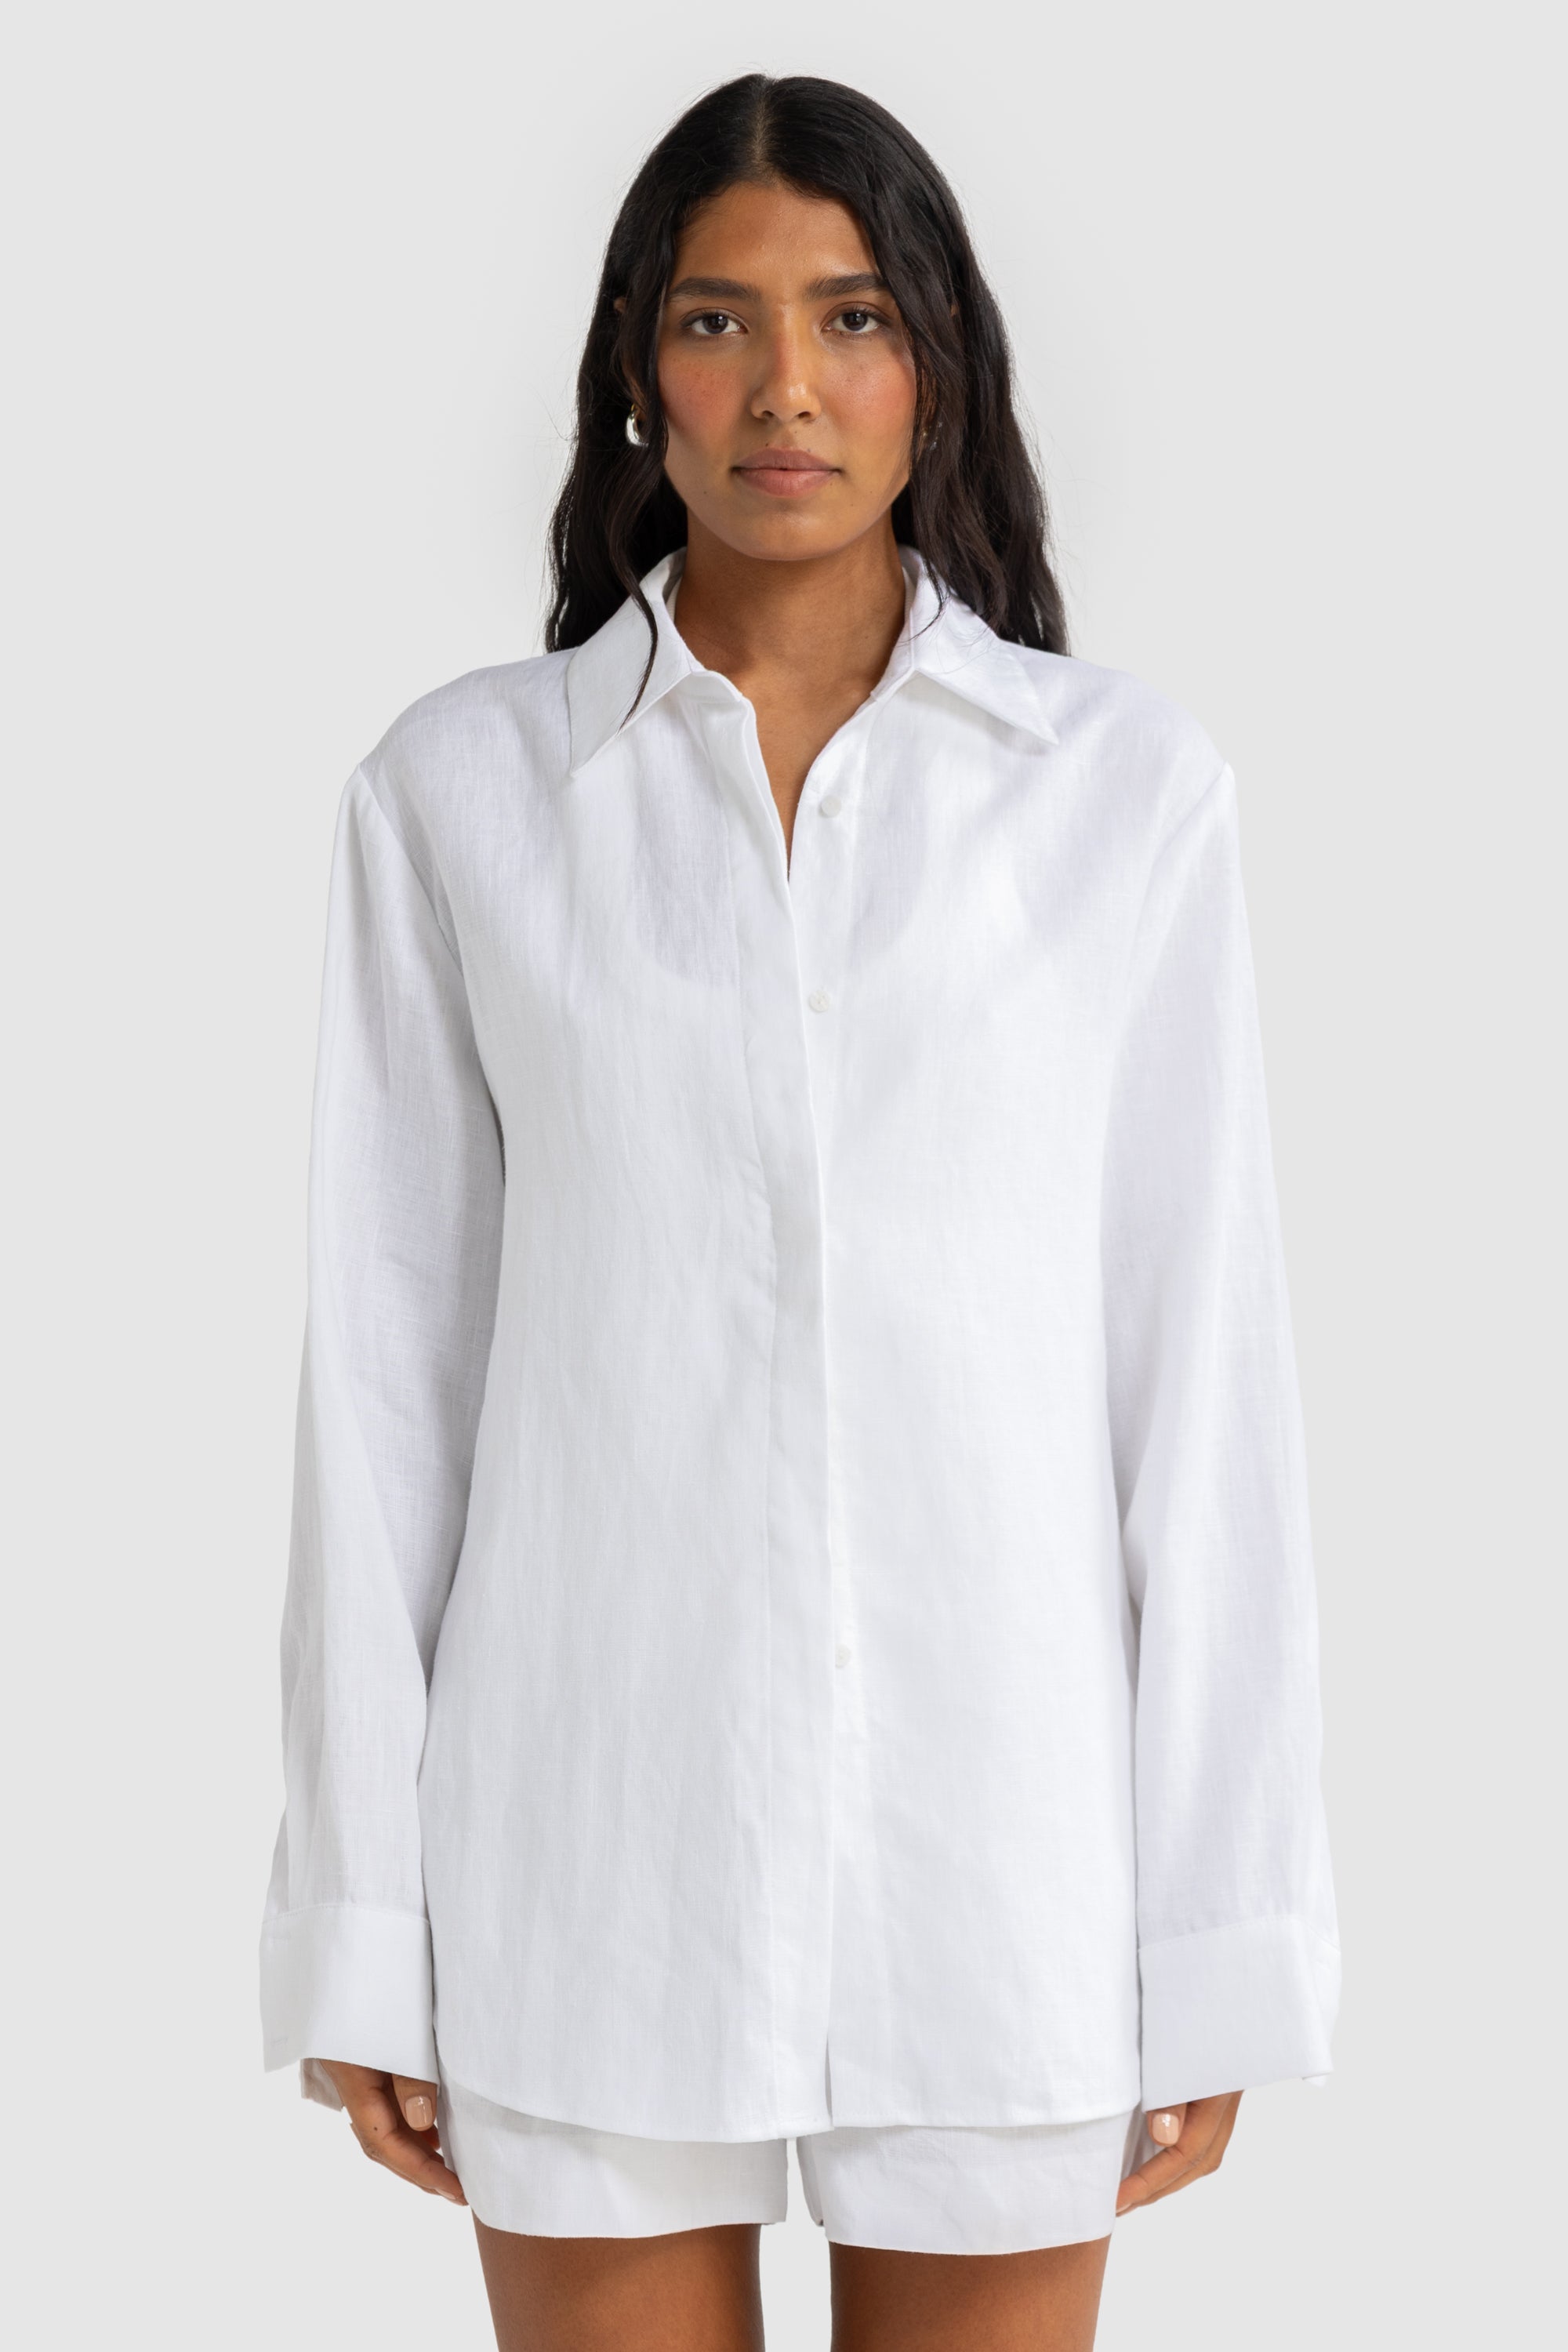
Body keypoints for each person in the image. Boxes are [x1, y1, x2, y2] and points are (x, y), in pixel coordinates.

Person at [260, 72, 1339, 2352]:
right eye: (716, 320)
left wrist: (1224, 1928)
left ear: (936, 360)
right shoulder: (463, 797)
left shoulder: (1123, 798)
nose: (784, 389)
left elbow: (1199, 1388)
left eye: (852, 318)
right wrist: (362, 1922)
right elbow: (387, 1391)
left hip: (1002, 1870)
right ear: (634, 367)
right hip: (584, 1856)